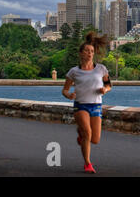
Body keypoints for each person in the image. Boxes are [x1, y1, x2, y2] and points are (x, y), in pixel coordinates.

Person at [62, 31, 111, 174]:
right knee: (88, 133)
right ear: (81, 53)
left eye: (92, 51)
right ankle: (87, 163)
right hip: (80, 106)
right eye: (87, 51)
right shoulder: (73, 72)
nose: (90, 54)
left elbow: (109, 85)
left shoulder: (101, 69)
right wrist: (69, 95)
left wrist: (105, 90)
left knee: (94, 140)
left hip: (96, 105)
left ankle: (81, 134)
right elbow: (64, 90)